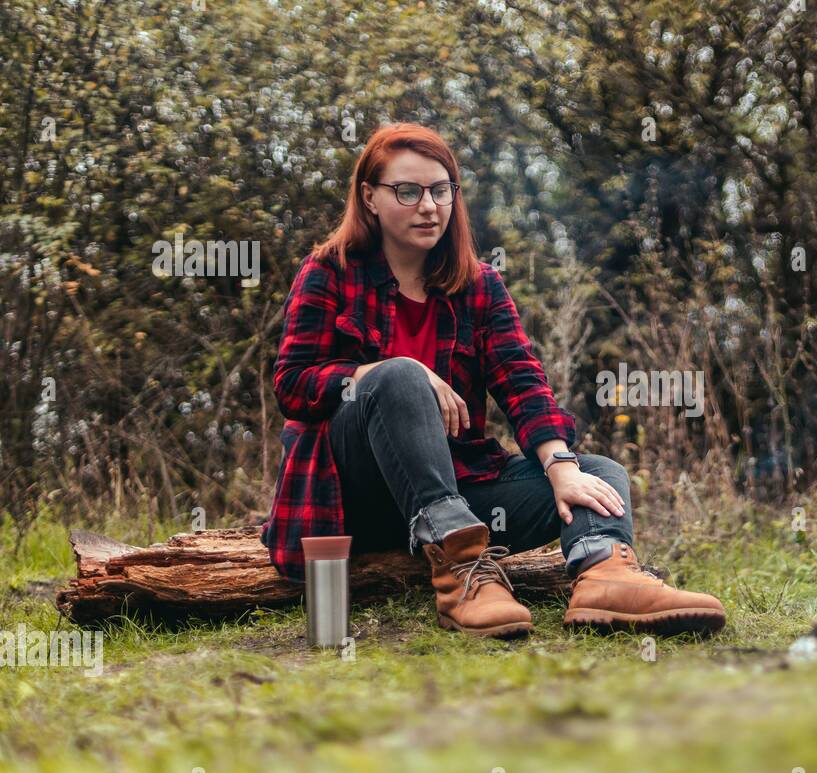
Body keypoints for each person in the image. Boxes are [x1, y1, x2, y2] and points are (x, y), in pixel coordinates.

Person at [261, 122, 725, 639]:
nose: (429, 206)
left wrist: (561, 466)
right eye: (407, 191)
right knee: (397, 376)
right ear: (369, 197)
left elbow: (523, 382)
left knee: (599, 472)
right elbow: (293, 384)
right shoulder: (329, 272)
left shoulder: (478, 285)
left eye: (441, 190)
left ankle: (604, 578)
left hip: (461, 491)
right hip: (357, 499)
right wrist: (390, 372)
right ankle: (463, 573)